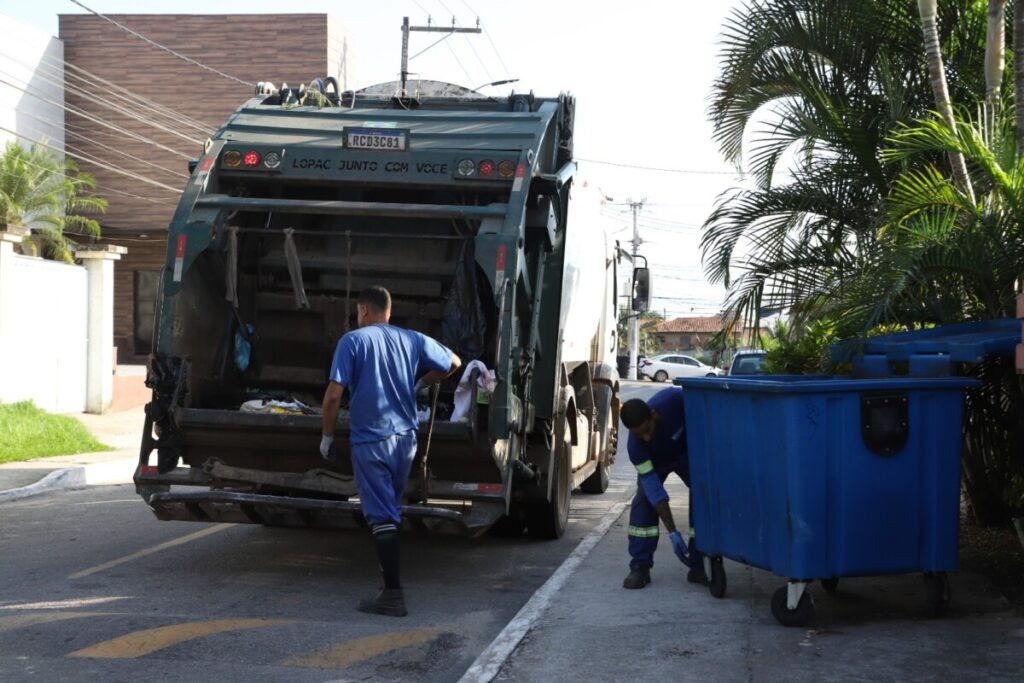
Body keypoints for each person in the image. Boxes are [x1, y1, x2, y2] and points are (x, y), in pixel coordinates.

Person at [319, 286, 461, 617]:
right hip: (405, 440)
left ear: (363, 309)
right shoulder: (410, 339)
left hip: (372, 441)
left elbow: (333, 396)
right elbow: (454, 362)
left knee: (382, 516)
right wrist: (422, 383)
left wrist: (327, 436)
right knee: (390, 511)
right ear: (389, 311)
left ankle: (393, 595)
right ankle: (388, 584)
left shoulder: (353, 341)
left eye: (357, 312)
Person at [620, 388, 706, 589]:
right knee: (644, 501)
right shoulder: (636, 448)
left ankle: (699, 564)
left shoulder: (674, 401)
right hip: (656, 462)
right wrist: (673, 532)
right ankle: (640, 566)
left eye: (647, 430)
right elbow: (655, 492)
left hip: (686, 454)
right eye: (638, 435)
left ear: (654, 414)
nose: (646, 438)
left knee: (703, 495)